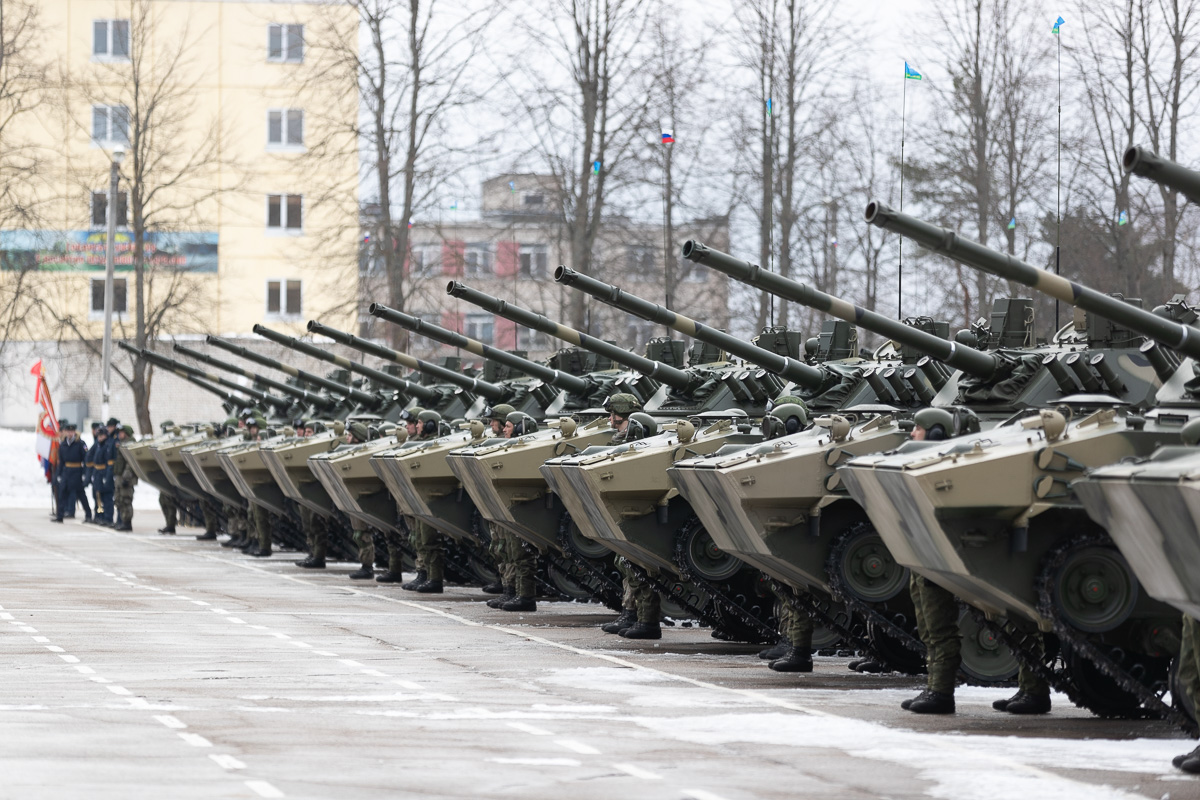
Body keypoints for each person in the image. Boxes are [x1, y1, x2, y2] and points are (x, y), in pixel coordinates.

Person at [593, 393, 662, 641]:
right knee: (626, 565)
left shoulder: (641, 442)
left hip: (637, 513)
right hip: (622, 512)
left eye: (613, 414)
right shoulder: (620, 440)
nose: (610, 419)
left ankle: (647, 620)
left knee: (639, 568)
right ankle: (631, 612)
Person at [491, 411, 539, 612]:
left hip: (522, 508)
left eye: (508, 426)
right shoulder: (507, 448)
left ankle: (525, 596)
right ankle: (511, 590)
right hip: (509, 508)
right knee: (506, 550)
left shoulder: (528, 450)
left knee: (520, 554)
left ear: (521, 428)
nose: (503, 429)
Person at [407, 410, 449, 593]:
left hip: (428, 501)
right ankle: (423, 574)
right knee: (419, 539)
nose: (417, 426)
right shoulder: (416, 443)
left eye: (420, 423)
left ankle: (434, 578)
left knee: (429, 540)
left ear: (430, 425)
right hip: (418, 500)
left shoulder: (434, 445)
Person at [480, 404, 516, 598]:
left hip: (509, 506)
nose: (493, 424)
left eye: (495, 420)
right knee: (499, 547)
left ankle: (513, 589)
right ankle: (505, 584)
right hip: (496, 505)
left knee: (512, 550)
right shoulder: (493, 442)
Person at [52, 424, 89, 524]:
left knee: (81, 495)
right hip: (66, 472)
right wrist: (58, 475)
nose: (70, 433)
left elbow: (86, 459)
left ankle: (88, 515)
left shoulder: (80, 443)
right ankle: (60, 515)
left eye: (71, 431)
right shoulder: (63, 444)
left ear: (74, 432)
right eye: (68, 431)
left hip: (77, 472)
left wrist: (85, 473)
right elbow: (61, 462)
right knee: (62, 494)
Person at [112, 425, 137, 532]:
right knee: (119, 500)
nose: (119, 434)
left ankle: (127, 523)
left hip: (126, 477)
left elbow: (130, 463)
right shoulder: (123, 444)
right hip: (120, 476)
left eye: (121, 432)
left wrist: (126, 477)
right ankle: (123, 521)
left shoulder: (130, 445)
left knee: (126, 500)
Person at [157, 420, 179, 534]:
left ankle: (171, 525)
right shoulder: (164, 441)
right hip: (164, 476)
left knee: (170, 502)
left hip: (170, 477)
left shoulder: (174, 441)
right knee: (162, 500)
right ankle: (169, 523)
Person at [92, 426, 116, 527]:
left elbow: (110, 463)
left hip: (105, 473)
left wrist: (107, 476)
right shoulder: (98, 445)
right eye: (99, 435)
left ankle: (108, 518)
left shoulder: (108, 445)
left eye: (102, 435)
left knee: (107, 498)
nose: (100, 437)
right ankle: (99, 516)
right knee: (98, 496)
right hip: (98, 473)